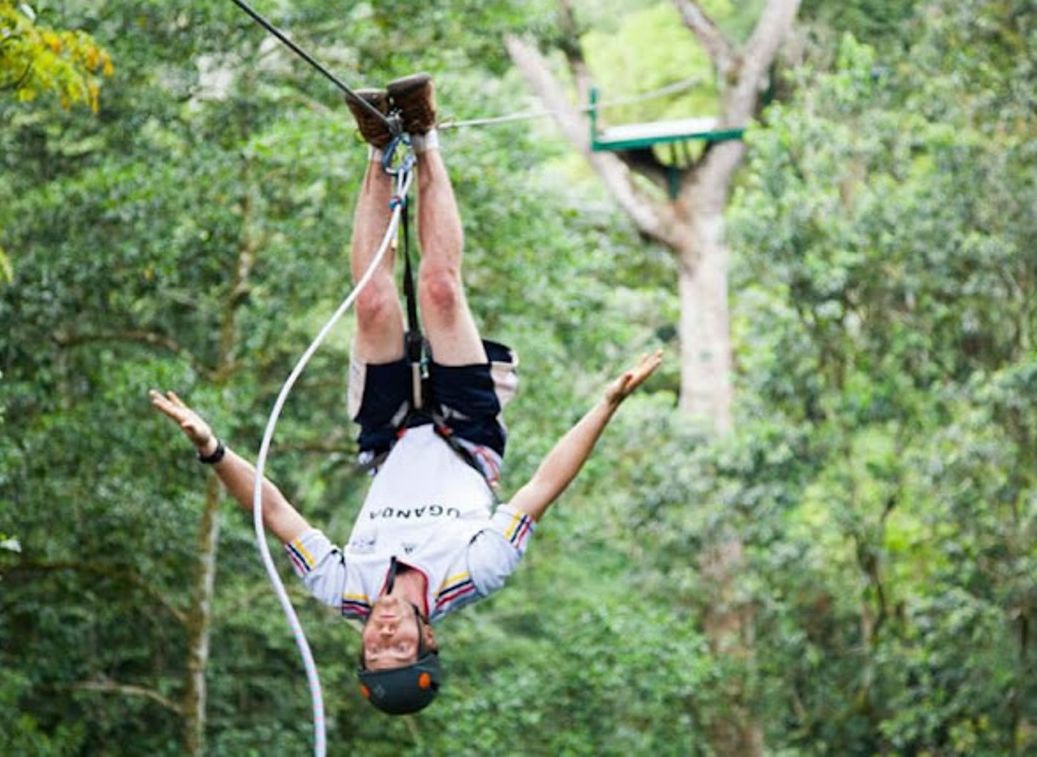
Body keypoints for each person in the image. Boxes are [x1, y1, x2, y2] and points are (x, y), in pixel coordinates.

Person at [150, 73, 662, 716]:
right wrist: (607, 404)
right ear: (428, 638)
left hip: (388, 440)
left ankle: (374, 147)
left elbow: (277, 514)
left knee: (371, 304)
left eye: (375, 650)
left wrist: (212, 449)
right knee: (442, 290)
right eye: (399, 648)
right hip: (467, 434)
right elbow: (541, 488)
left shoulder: (342, 587)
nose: (385, 635)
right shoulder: (476, 572)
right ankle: (422, 138)